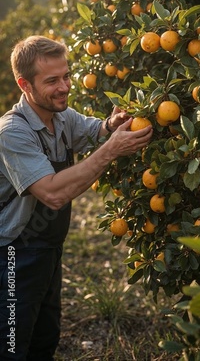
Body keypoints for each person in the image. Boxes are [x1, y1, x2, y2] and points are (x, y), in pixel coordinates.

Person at [0, 35, 153, 360]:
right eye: (52, 80)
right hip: (13, 256)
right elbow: (52, 193)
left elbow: (94, 128)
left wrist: (111, 125)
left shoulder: (61, 116)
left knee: (45, 338)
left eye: (67, 76)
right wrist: (110, 151)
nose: (65, 86)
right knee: (11, 344)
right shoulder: (12, 133)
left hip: (49, 249)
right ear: (24, 84)